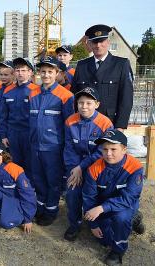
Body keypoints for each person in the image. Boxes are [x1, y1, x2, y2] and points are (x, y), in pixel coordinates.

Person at [83, 130, 145, 265]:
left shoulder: (135, 167)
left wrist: (101, 208)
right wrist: (93, 224)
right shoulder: (94, 168)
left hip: (124, 206)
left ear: (124, 149)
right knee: (104, 240)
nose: (108, 153)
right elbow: (89, 197)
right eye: (105, 149)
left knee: (121, 219)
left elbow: (129, 198)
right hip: (103, 207)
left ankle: (118, 250)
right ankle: (131, 222)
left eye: (113, 149)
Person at [63, 87, 113, 241]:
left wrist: (81, 167)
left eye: (89, 103)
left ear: (97, 104)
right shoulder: (70, 121)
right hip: (75, 166)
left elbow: (101, 152)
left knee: (96, 194)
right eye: (80, 103)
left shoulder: (105, 123)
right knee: (72, 192)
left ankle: (97, 221)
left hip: (97, 168)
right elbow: (69, 148)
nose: (84, 106)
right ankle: (75, 223)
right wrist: (74, 170)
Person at [29, 56, 74, 226]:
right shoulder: (32, 93)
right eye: (43, 71)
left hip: (53, 147)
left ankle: (51, 210)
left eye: (50, 71)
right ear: (39, 73)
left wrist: (65, 148)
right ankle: (40, 207)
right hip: (35, 145)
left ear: (57, 73)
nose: (46, 75)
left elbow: (69, 125)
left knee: (53, 180)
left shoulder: (66, 96)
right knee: (38, 178)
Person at [72, 24, 134, 130]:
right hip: (85, 123)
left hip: (110, 123)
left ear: (108, 42)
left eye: (102, 41)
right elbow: (75, 95)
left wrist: (120, 126)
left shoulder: (121, 64)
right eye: (95, 42)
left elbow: (126, 97)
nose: (98, 45)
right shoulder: (82, 65)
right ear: (90, 44)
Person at [0, 140, 36, 232]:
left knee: (5, 223)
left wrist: (28, 219)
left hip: (17, 202)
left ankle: (20, 216)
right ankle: (1, 213)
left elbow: (28, 195)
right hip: (5, 200)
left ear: (3, 155)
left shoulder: (14, 169)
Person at [0, 58, 39, 177]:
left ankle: (29, 191)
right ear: (14, 72)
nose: (20, 73)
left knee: (30, 164)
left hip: (29, 133)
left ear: (30, 72)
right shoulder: (8, 90)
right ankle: (16, 190)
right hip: (13, 134)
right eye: (17, 70)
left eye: (23, 70)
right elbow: (3, 115)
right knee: (14, 163)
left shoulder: (36, 90)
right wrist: (3, 135)